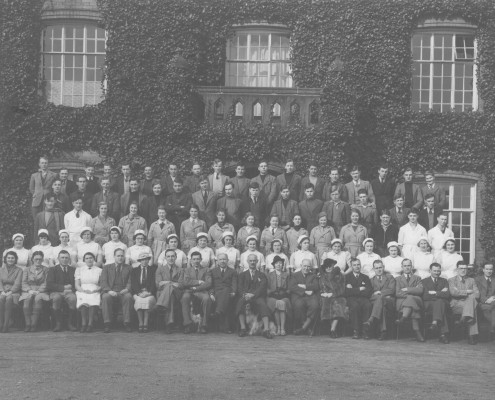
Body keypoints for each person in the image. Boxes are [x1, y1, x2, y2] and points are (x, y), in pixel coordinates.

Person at [236, 254, 273, 339]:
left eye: (254, 261)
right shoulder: (242, 275)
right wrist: (245, 295)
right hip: (245, 296)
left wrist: (253, 295)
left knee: (262, 304)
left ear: (257, 262)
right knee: (240, 303)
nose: (252, 262)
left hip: (257, 296)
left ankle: (266, 330)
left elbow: (262, 287)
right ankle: (243, 328)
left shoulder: (262, 275)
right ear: (247, 262)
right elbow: (240, 287)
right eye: (250, 261)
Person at [100, 248, 133, 333]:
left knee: (128, 297)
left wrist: (127, 289)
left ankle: (127, 323)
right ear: (114, 256)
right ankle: (107, 323)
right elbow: (103, 281)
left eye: (122, 256)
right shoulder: (107, 267)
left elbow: (130, 281)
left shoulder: (129, 268)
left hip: (123, 291)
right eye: (118, 256)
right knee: (105, 297)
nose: (120, 258)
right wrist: (109, 291)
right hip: (110, 291)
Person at [179, 251, 212, 334]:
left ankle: (204, 324)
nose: (196, 261)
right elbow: (185, 282)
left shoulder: (206, 269)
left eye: (198, 259)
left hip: (201, 291)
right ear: (191, 260)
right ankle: (187, 324)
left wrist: (194, 288)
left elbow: (208, 283)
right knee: (185, 298)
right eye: (194, 259)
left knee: (207, 298)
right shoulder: (186, 270)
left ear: (201, 259)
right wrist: (198, 282)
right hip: (188, 292)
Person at [448, 261, 480, 345]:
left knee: (472, 300)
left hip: (468, 303)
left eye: (465, 268)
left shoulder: (471, 280)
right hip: (456, 303)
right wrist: (467, 291)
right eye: (461, 268)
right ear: (457, 269)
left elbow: (477, 294)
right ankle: (471, 336)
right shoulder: (451, 280)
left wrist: (460, 292)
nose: (463, 270)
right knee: (473, 307)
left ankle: (462, 320)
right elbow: (453, 293)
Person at [47, 250, 77, 331]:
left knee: (73, 299)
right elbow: (49, 284)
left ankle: (69, 323)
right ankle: (58, 323)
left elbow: (77, 283)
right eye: (62, 257)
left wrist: (71, 289)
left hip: (70, 292)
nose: (64, 259)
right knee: (56, 298)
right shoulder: (52, 269)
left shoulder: (73, 270)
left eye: (66, 258)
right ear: (58, 259)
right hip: (56, 291)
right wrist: (63, 288)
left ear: (69, 259)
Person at [395, 258, 425, 342]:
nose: (407, 267)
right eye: (405, 266)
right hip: (403, 302)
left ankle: (403, 318)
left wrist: (407, 289)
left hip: (416, 300)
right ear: (402, 267)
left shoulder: (417, 278)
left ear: (411, 266)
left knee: (411, 299)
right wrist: (413, 291)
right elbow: (397, 293)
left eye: (408, 265)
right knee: (411, 301)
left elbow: (420, 290)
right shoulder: (397, 279)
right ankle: (417, 332)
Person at [365, 260, 395, 340]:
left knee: (380, 298)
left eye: (380, 267)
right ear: (374, 269)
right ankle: (383, 331)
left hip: (389, 301)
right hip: (377, 302)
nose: (379, 269)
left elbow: (392, 290)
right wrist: (379, 295)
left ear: (383, 268)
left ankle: (371, 319)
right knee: (382, 306)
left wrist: (380, 292)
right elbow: (370, 293)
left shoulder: (390, 277)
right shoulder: (371, 280)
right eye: (376, 268)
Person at [20, 251, 49, 332]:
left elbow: (46, 282)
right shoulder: (27, 269)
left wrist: (39, 291)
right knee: (26, 302)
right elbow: (24, 282)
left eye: (40, 259)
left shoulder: (46, 269)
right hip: (28, 290)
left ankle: (33, 324)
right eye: (36, 259)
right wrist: (29, 290)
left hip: (41, 291)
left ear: (42, 259)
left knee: (37, 301)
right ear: (32, 259)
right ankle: (28, 324)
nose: (38, 261)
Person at [155, 249, 184, 333]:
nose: (170, 258)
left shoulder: (180, 270)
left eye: (172, 256)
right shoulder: (160, 269)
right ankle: (169, 323)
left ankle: (160, 305)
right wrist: (171, 283)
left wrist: (167, 283)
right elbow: (158, 284)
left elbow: (181, 285)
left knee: (169, 288)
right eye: (168, 256)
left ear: (176, 257)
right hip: (163, 293)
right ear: (165, 258)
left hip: (177, 293)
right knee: (170, 296)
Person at [422, 262, 450, 344]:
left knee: (440, 303)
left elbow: (447, 295)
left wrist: (434, 292)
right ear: (430, 270)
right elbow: (425, 296)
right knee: (440, 304)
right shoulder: (424, 281)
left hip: (442, 304)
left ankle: (434, 322)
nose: (437, 273)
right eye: (435, 271)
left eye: (438, 271)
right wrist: (440, 293)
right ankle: (443, 335)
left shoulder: (444, 281)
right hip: (429, 305)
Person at [289, 259, 319, 335]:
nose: (306, 268)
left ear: (311, 267)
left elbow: (316, 286)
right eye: (304, 266)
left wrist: (304, 286)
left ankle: (304, 328)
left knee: (315, 305)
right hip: (298, 295)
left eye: (308, 266)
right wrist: (305, 291)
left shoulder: (313, 276)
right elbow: (292, 286)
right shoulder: (295, 275)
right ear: (301, 266)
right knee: (299, 305)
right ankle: (305, 326)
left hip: (310, 296)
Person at [345, 258, 373, 339]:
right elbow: (346, 292)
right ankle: (356, 331)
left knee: (368, 305)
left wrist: (353, 289)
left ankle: (365, 331)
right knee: (355, 306)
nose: (357, 267)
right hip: (351, 299)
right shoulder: (347, 277)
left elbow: (369, 291)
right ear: (351, 266)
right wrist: (359, 289)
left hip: (363, 298)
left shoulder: (365, 277)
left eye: (358, 265)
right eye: (354, 265)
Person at [319, 259, 347, 338]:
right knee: (327, 303)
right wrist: (324, 293)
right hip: (325, 296)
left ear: (333, 267)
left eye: (330, 267)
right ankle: (331, 329)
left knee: (337, 305)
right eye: (326, 267)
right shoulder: (322, 276)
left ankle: (332, 329)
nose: (328, 268)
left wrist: (333, 294)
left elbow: (342, 288)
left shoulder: (340, 276)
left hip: (338, 296)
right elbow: (321, 287)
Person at [210, 253, 237, 333]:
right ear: (217, 261)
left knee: (226, 291)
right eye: (220, 259)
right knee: (225, 297)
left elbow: (234, 283)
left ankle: (218, 311)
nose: (222, 261)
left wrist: (234, 292)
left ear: (227, 260)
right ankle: (226, 327)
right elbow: (210, 284)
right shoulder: (212, 271)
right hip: (216, 293)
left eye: (224, 259)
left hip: (228, 292)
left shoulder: (233, 271)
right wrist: (211, 294)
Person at [75, 252, 102, 333]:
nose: (89, 260)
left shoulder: (99, 270)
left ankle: (90, 324)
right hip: (82, 289)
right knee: (83, 299)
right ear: (84, 260)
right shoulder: (79, 270)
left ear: (94, 259)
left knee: (93, 298)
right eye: (87, 258)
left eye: (91, 258)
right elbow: (77, 284)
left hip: (95, 289)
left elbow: (102, 284)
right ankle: (84, 324)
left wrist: (97, 290)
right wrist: (83, 291)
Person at [131, 252, 157, 333]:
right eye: (142, 260)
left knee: (147, 300)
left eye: (146, 259)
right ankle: (140, 323)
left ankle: (145, 323)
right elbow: (133, 283)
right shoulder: (135, 270)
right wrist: (139, 293)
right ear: (139, 261)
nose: (144, 261)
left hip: (149, 293)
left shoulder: (153, 270)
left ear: (148, 260)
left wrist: (149, 293)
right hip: (138, 293)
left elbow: (154, 283)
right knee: (139, 300)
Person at [267, 255, 291, 336]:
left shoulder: (286, 275)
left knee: (282, 303)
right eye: (276, 263)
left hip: (283, 295)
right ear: (274, 265)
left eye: (280, 263)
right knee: (277, 303)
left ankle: (282, 328)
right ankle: (278, 327)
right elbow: (266, 287)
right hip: (272, 296)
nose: (278, 265)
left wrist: (286, 292)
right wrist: (270, 292)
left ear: (282, 265)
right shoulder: (269, 275)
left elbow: (289, 287)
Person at [0, 251, 23, 332]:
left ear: (15, 259)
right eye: (9, 258)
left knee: (9, 298)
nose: (10, 259)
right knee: (1, 299)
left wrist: (11, 291)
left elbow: (18, 283)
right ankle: (1, 324)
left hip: (14, 292)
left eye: (12, 258)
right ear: (5, 259)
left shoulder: (19, 270)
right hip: (2, 291)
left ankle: (6, 325)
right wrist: (2, 290)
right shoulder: (1, 269)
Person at [475, 263, 495, 341]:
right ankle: (492, 331)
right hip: (483, 303)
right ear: (483, 270)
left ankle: (492, 331)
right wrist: (487, 300)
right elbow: (477, 292)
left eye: (490, 269)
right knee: (488, 310)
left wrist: (493, 298)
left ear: (493, 270)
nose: (489, 271)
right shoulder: (477, 279)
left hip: (493, 302)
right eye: (487, 269)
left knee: (493, 311)